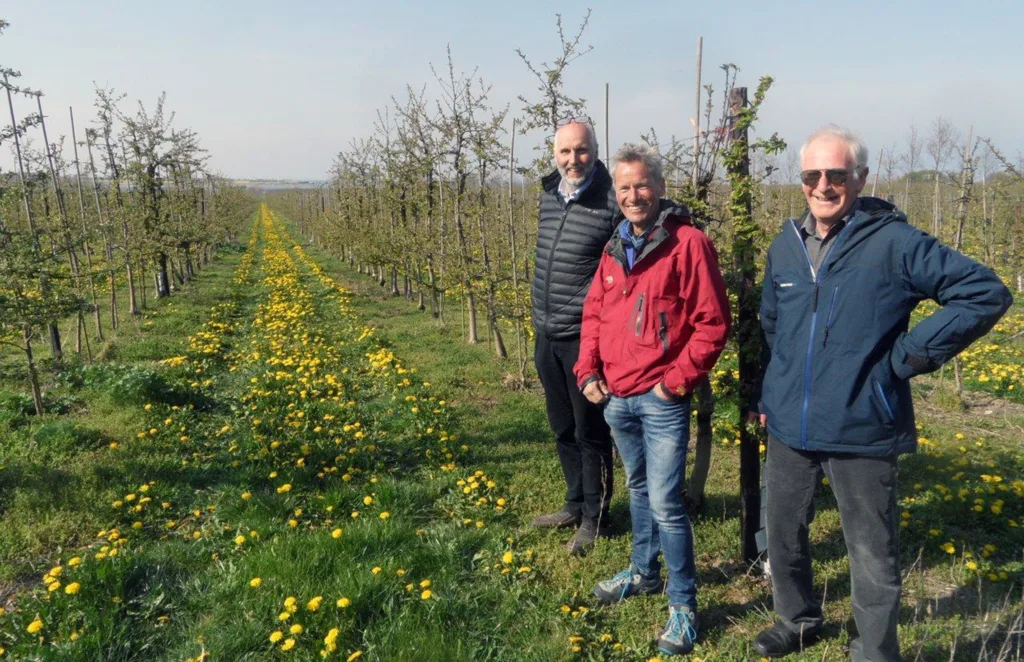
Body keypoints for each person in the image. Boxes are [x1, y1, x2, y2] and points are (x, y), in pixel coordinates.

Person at [753, 125, 1012, 661]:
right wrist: (772, 392)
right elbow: (774, 326)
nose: (823, 186)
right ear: (800, 181)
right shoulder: (784, 245)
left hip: (862, 423)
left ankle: (874, 650)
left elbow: (984, 292)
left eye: (836, 174)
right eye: (811, 175)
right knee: (781, 533)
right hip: (787, 427)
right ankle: (797, 619)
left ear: (861, 178)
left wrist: (909, 357)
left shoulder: (894, 242)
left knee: (871, 552)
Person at [575, 143, 731, 656]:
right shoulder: (614, 246)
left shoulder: (688, 244)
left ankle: (683, 605)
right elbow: (595, 314)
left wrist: (675, 383)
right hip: (617, 395)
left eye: (641, 185)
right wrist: (588, 371)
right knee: (639, 489)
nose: (633, 195)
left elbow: (712, 324)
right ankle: (643, 572)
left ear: (660, 188)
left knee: (666, 501)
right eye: (623, 188)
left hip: (661, 397)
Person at [530, 117, 619, 555]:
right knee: (562, 426)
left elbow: (653, 213)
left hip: (584, 338)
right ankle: (573, 501)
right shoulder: (549, 193)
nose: (573, 159)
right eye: (565, 151)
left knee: (591, 432)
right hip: (546, 331)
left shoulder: (611, 198)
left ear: (596, 151)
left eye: (581, 150)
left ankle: (595, 517)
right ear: (555, 154)